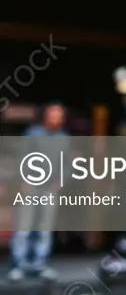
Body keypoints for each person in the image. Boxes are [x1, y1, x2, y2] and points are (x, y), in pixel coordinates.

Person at [9, 102, 69, 282]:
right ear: (46, 116)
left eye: (59, 115)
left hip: (49, 188)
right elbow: (22, 158)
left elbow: (66, 163)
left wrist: (60, 182)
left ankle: (40, 263)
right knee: (24, 227)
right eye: (53, 115)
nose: (56, 118)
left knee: (44, 228)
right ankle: (19, 264)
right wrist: (24, 180)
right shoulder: (33, 134)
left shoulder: (63, 137)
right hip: (31, 186)